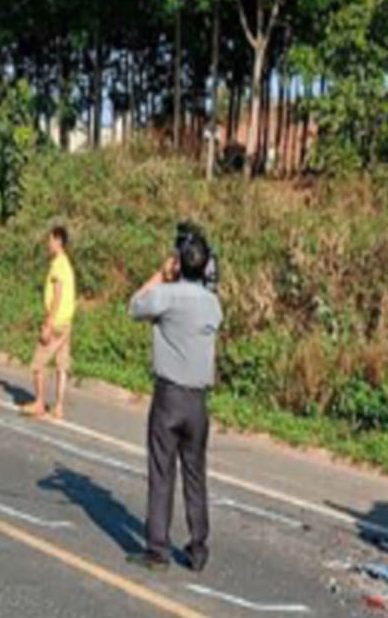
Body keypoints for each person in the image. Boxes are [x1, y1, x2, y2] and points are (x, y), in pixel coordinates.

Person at [126, 230, 223, 572]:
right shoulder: (213, 305)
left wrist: (161, 274)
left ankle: (157, 550)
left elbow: (135, 305)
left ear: (179, 263)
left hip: (169, 397)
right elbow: (210, 291)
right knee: (196, 475)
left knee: (162, 472)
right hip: (198, 402)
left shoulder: (167, 295)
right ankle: (198, 549)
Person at [20, 225, 76, 420]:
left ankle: (39, 403)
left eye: (50, 240)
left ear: (58, 241)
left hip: (57, 322)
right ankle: (59, 407)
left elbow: (57, 296)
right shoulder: (67, 264)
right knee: (62, 365)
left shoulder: (58, 265)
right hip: (67, 322)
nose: (48, 243)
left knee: (37, 364)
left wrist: (48, 324)